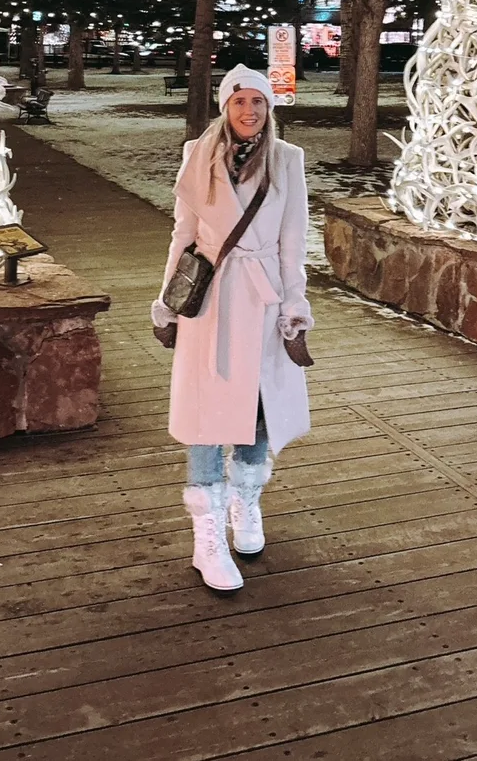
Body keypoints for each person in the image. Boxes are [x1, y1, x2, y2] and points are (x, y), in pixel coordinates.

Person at [151, 64, 313, 592]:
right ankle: (207, 537)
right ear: (225, 107)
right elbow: (183, 236)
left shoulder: (287, 160)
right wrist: (169, 302)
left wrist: (294, 307)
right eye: (240, 101)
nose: (250, 111)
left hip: (263, 300)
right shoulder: (197, 157)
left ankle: (246, 503)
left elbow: (293, 243)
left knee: (257, 408)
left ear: (269, 107)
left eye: (258, 102)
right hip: (211, 303)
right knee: (207, 415)